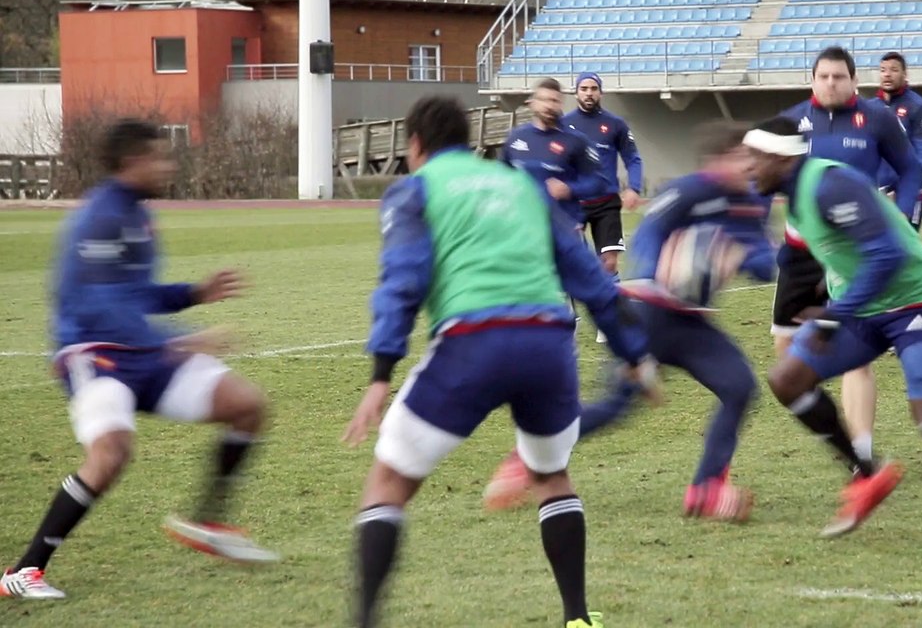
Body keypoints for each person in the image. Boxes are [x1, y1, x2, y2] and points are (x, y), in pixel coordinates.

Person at [343, 96, 651, 628]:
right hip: (548, 344)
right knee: (552, 475)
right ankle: (577, 617)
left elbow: (403, 282)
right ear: (470, 142)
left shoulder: (414, 190)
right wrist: (634, 355)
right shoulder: (522, 187)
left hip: (474, 342)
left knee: (389, 481)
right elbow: (589, 277)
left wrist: (380, 374)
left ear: (415, 146)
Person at [1, 120, 276, 602]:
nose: (168, 165)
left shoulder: (138, 215)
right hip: (94, 352)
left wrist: (194, 293)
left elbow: (137, 294)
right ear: (133, 163)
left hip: (146, 353)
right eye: (159, 157)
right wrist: (184, 340)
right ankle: (23, 573)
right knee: (111, 453)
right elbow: (101, 308)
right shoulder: (99, 217)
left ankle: (208, 521)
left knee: (247, 406)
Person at [483, 121, 776, 521]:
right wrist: (667, 270)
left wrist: (740, 255)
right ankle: (526, 457)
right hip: (649, 315)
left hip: (690, 324)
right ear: (720, 160)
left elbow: (764, 263)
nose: (751, 166)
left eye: (754, 158)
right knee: (614, 408)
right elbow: (648, 236)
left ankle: (707, 489)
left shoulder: (751, 204)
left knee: (740, 387)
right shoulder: (688, 190)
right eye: (744, 156)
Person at [746, 122, 922, 549]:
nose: (748, 167)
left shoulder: (829, 184)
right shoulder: (797, 197)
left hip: (916, 301)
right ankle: (865, 476)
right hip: (861, 308)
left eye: (754, 157)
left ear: (781, 157)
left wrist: (837, 311)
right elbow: (834, 249)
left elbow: (887, 252)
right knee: (787, 379)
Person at [776, 48, 922, 485]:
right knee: (786, 354)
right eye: (823, 76)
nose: (831, 84)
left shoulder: (877, 118)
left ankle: (860, 449)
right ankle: (833, 430)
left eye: (839, 76)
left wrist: (907, 217)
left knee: (854, 352)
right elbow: (761, 176)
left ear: (854, 80)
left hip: (854, 253)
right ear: (813, 80)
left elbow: (911, 170)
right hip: (802, 248)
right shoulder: (791, 122)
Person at [564, 72, 644, 342]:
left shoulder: (615, 124)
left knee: (608, 262)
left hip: (606, 202)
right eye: (584, 88)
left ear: (601, 93)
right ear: (576, 93)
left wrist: (633, 187)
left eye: (593, 88)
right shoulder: (564, 126)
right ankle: (570, 318)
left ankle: (609, 320)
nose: (588, 93)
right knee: (575, 262)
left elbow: (633, 157)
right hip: (574, 204)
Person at [503, 77, 606, 226]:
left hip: (564, 226)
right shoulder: (516, 137)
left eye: (554, 101)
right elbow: (502, 175)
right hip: (523, 226)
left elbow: (599, 182)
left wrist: (569, 189)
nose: (548, 106)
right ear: (532, 103)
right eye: (543, 100)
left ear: (561, 104)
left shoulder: (576, 141)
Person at [875, 51, 922, 230]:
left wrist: (901, 189)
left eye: (894, 70)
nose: (887, 74)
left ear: (905, 74)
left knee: (907, 243)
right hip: (877, 190)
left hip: (909, 191)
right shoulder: (870, 108)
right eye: (883, 70)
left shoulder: (919, 107)